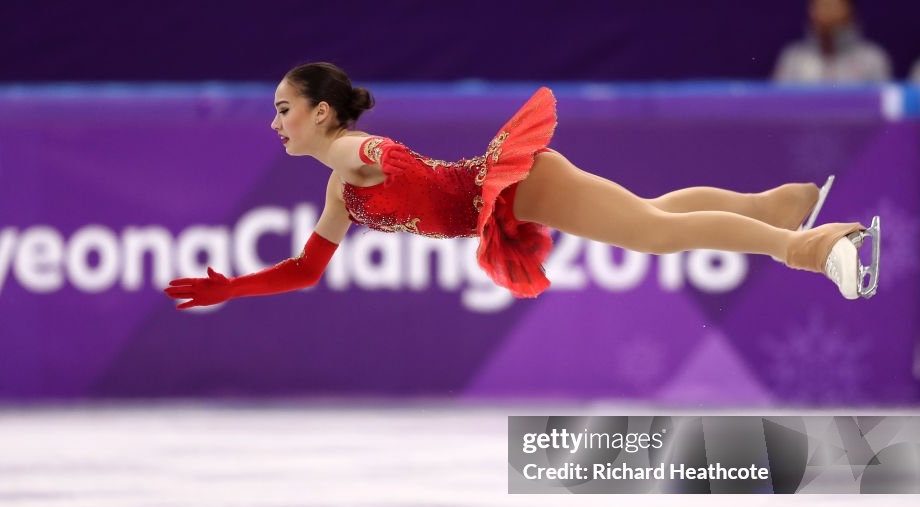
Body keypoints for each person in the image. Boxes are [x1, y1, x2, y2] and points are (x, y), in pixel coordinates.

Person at [164, 62, 880, 309]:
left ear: (321, 112)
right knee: (650, 215)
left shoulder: (356, 153)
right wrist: (234, 288)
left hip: (512, 185)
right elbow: (305, 269)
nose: (275, 123)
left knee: (655, 235)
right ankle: (780, 205)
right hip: (510, 194)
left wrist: (383, 156)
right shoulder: (340, 193)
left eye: (283, 110)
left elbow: (391, 159)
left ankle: (810, 247)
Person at [773, 0, 892, 83]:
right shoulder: (793, 59)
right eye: (819, 5)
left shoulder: (872, 59)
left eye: (831, 5)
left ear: (849, 10)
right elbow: (777, 107)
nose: (824, 12)